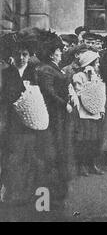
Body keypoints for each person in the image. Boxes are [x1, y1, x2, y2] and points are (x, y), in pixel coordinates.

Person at [0, 37, 44, 205]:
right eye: (17, 54)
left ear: (30, 55)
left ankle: (27, 193)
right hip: (10, 122)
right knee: (11, 157)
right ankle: (10, 192)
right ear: (12, 55)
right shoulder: (6, 73)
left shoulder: (35, 73)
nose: (21, 58)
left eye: (24, 54)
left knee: (29, 156)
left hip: (31, 121)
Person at [36, 32, 76, 203]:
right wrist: (64, 104)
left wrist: (70, 97)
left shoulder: (54, 66)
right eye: (59, 50)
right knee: (56, 144)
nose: (62, 52)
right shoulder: (46, 69)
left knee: (62, 144)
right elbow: (49, 92)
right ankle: (53, 189)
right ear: (52, 53)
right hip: (54, 113)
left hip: (61, 113)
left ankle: (60, 185)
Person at [72, 51, 105, 176]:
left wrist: (101, 109)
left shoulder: (97, 76)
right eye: (95, 63)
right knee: (84, 139)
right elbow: (78, 92)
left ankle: (92, 163)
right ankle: (82, 165)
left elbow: (101, 93)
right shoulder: (79, 76)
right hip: (83, 112)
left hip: (95, 111)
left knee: (94, 139)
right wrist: (89, 79)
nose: (98, 65)